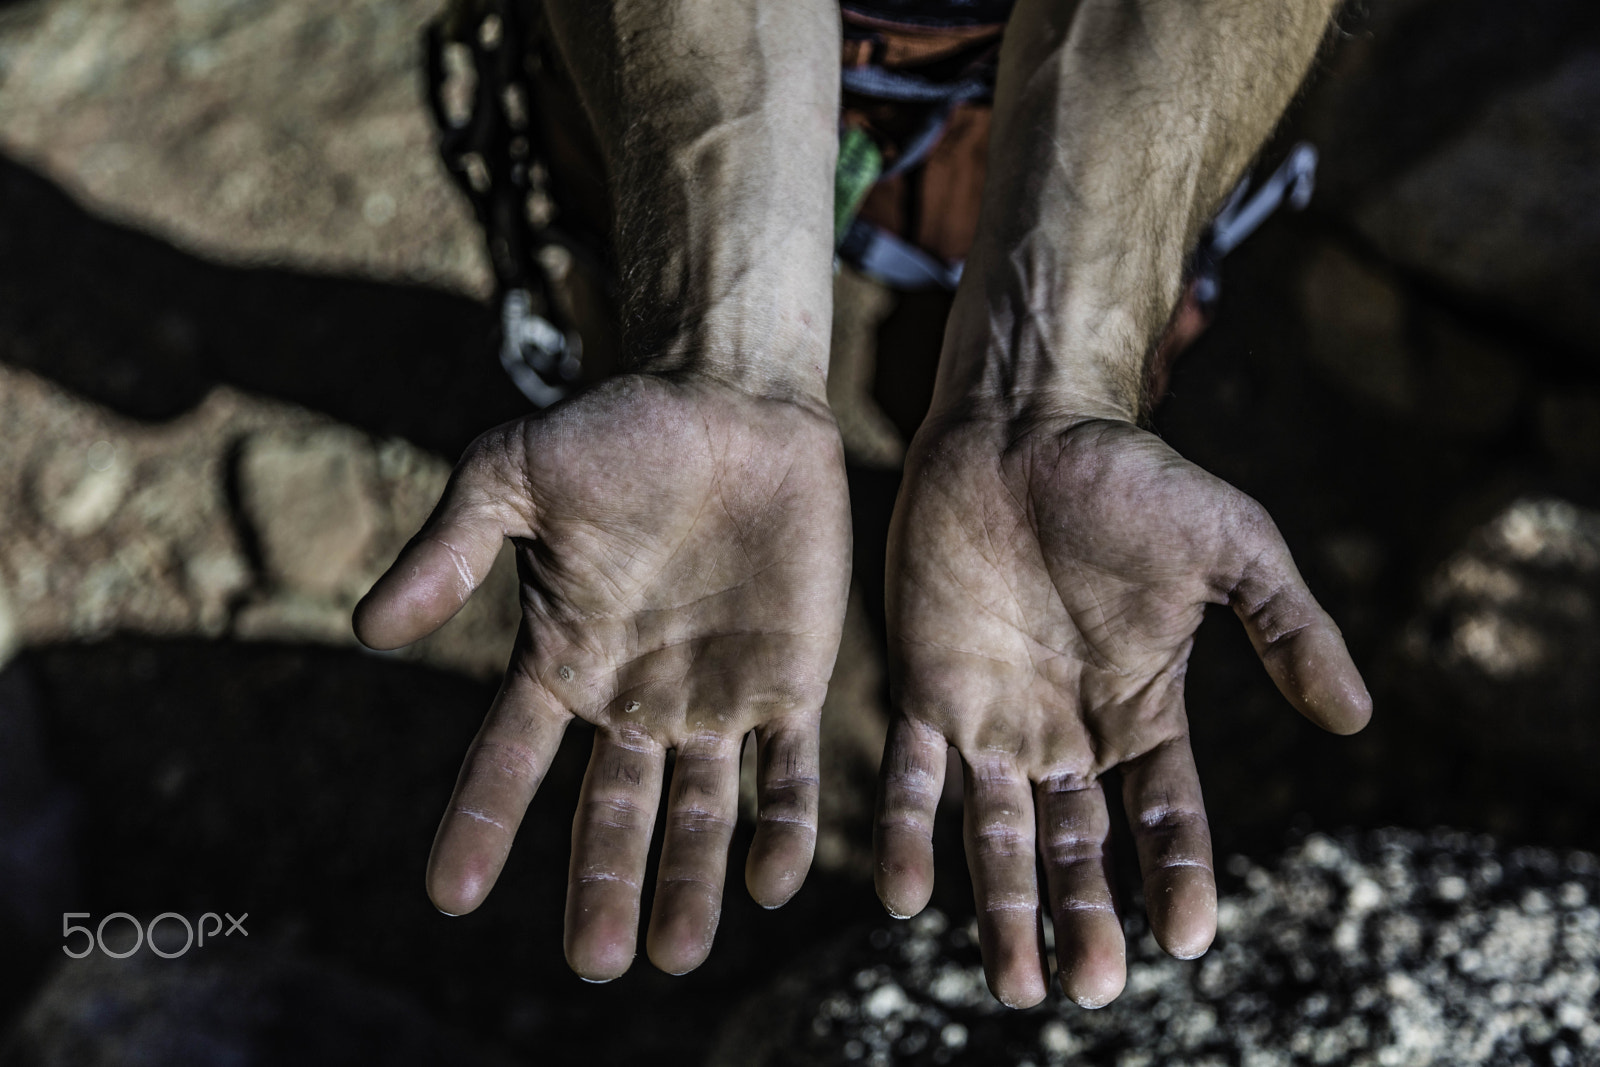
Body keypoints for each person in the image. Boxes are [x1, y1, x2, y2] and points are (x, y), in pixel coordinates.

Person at [353, 0, 1372, 1010]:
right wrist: (724, 349)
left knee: (924, 375)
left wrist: (1052, 381)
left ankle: (922, 592)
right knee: (647, 339)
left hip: (1107, 89)